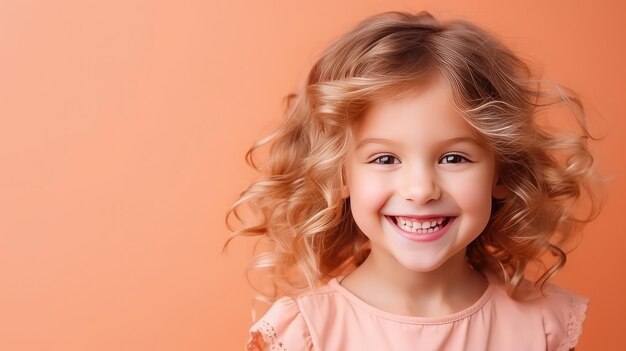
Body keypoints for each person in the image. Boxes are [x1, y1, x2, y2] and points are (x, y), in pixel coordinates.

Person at [226, 11, 602, 351]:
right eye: (385, 158)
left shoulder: (541, 326)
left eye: (453, 158)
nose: (421, 190)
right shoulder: (305, 334)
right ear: (339, 175)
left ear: (501, 173)